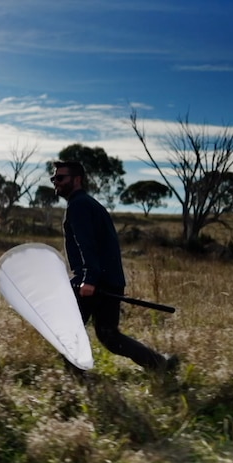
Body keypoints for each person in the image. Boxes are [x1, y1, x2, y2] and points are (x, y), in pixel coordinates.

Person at [51, 160, 178, 375]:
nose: (56, 182)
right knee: (108, 335)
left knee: (69, 330)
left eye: (61, 178)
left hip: (94, 281)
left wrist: (89, 278)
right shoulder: (88, 204)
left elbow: (87, 244)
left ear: (77, 179)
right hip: (108, 280)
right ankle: (160, 364)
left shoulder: (79, 205)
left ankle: (76, 381)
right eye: (54, 178)